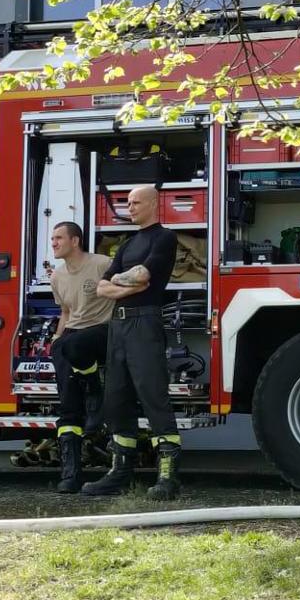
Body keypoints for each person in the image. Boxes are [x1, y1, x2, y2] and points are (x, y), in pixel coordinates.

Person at [81, 186, 183, 500]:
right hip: (119, 324)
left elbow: (144, 275)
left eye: (136, 201)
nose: (130, 206)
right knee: (116, 397)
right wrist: (126, 284)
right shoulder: (127, 244)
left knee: (153, 395)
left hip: (145, 322)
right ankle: (120, 472)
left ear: (154, 204)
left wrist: (125, 281)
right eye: (127, 202)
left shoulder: (164, 238)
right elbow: (101, 287)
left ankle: (167, 477)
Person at [46, 221, 111, 493]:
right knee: (68, 400)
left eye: (59, 238)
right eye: (52, 239)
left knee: (73, 345)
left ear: (75, 241)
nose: (53, 243)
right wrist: (56, 338)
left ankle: (95, 388)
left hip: (102, 331)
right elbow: (66, 314)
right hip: (73, 332)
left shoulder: (102, 264)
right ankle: (71, 474)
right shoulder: (57, 277)